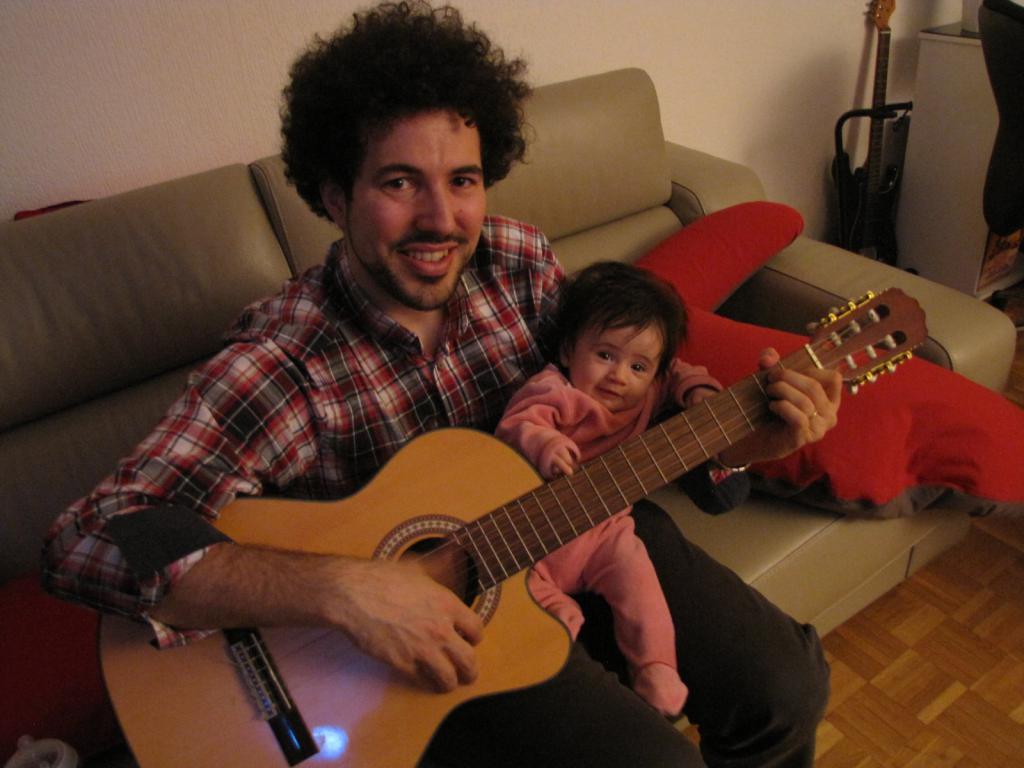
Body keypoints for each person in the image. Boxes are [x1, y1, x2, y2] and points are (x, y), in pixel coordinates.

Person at [43, 2, 843, 766]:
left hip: (583, 524)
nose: (441, 218)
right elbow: (90, 537)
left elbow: (625, 373)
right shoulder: (286, 361)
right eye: (399, 183)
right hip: (445, 630)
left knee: (789, 686)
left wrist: (736, 438)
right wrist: (346, 591)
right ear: (334, 196)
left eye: (462, 180)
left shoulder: (519, 260)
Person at [495, 261, 739, 717]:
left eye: (637, 366)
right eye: (605, 355)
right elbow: (517, 424)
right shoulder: (556, 390)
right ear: (568, 349)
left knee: (639, 579)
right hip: (534, 536)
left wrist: (698, 392)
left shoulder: (648, 392)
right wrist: (545, 443)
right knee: (524, 597)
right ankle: (557, 623)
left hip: (603, 530)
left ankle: (656, 669)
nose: (619, 376)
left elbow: (680, 372)